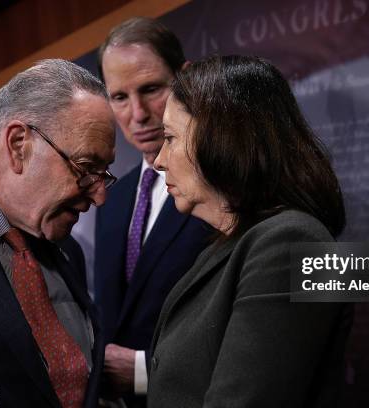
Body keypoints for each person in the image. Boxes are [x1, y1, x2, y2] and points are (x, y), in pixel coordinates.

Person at [149, 55, 353, 407]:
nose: (158, 160)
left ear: (223, 138)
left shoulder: (289, 244)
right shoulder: (228, 245)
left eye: (170, 138)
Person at [0, 59, 116, 408]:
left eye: (104, 174)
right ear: (18, 144)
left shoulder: (65, 248)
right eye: (87, 168)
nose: (100, 195)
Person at [94, 17, 210, 406]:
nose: (138, 113)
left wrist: (145, 372)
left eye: (150, 89)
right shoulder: (109, 198)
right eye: (119, 97)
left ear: (185, 77)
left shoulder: (221, 188)